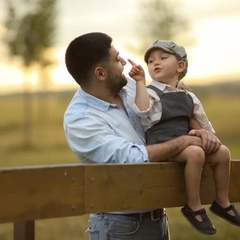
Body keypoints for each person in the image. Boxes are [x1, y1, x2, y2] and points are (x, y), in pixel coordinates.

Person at [63, 32, 222, 240]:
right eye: (116, 58)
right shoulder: (80, 121)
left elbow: (168, 110)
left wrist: (196, 128)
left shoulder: (129, 85)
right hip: (119, 227)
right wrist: (184, 141)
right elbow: (132, 158)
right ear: (100, 74)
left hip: (158, 218)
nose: (123, 61)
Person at [128, 39, 240, 235]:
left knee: (222, 153)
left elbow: (205, 125)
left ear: (180, 66)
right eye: (151, 61)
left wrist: (206, 135)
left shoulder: (189, 96)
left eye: (163, 58)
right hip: (163, 144)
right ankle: (193, 206)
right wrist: (139, 81)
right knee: (196, 153)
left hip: (187, 144)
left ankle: (222, 201)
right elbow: (143, 110)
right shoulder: (150, 93)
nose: (156, 63)